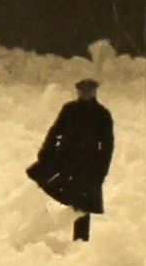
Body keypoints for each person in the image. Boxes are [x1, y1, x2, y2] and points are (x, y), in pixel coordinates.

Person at [26, 78, 113, 241]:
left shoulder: (102, 114)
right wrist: (46, 151)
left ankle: (80, 242)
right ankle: (67, 204)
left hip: (88, 165)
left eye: (89, 89)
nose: (86, 92)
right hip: (65, 159)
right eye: (82, 89)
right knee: (38, 175)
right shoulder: (69, 110)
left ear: (95, 91)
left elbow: (107, 146)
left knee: (83, 206)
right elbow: (55, 132)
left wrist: (101, 170)